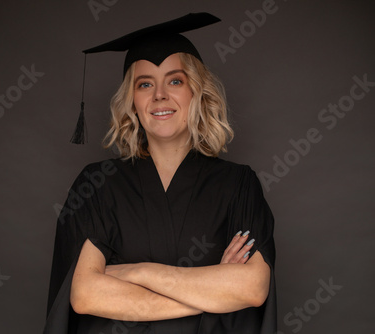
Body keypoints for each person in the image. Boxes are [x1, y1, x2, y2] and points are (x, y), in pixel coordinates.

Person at [44, 13, 276, 334]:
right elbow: (85, 296)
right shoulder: (98, 184)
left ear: (197, 92)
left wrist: (137, 272)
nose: (160, 95)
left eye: (175, 81)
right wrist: (213, 293)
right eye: (145, 84)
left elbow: (252, 289)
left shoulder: (238, 185)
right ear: (133, 102)